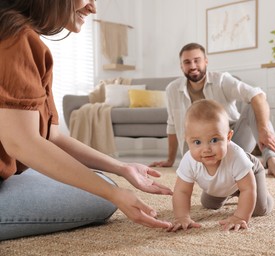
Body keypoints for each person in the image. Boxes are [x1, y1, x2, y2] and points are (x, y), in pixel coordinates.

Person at [0, 0, 172, 241]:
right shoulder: (16, 38)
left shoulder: (19, 34)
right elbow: (21, 143)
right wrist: (113, 194)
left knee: (99, 181)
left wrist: (122, 168)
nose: (93, 8)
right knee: (101, 196)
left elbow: (52, 137)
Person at [150, 42, 275, 179]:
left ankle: (273, 161)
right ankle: (244, 163)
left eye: (197, 60)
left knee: (253, 105)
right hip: (197, 149)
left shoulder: (221, 80)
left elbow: (257, 95)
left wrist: (263, 129)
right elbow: (172, 126)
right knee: (207, 167)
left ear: (206, 61)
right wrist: (170, 160)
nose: (192, 66)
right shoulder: (172, 89)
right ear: (181, 67)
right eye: (187, 62)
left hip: (230, 141)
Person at [167, 100, 274, 232]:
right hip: (228, 180)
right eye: (197, 142)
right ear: (187, 140)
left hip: (251, 172)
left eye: (214, 140)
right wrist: (182, 217)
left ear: (228, 137)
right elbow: (182, 191)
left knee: (259, 209)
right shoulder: (189, 160)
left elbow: (248, 188)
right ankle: (233, 191)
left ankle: (265, 195)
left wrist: (240, 217)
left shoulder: (237, 157)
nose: (206, 149)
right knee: (209, 204)